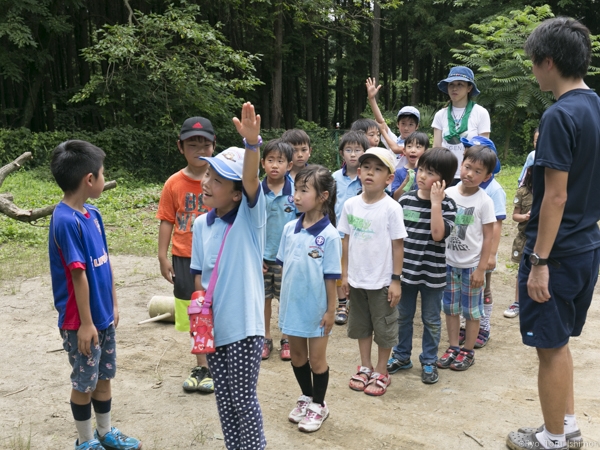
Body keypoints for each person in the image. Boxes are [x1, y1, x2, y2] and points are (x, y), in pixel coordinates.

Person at [506, 18, 600, 450]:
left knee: (550, 348)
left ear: (548, 62)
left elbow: (556, 198)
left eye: (533, 63)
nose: (532, 71)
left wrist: (539, 261)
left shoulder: (559, 115)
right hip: (586, 245)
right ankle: (567, 426)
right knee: (559, 345)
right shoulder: (594, 105)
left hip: (557, 254)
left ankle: (553, 440)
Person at [49, 140, 141, 450]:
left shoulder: (93, 215)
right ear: (90, 179)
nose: (104, 178)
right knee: (84, 382)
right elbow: (78, 275)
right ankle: (86, 441)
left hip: (102, 316)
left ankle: (105, 432)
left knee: (103, 377)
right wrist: (86, 324)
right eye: (103, 174)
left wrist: (113, 303)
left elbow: (103, 262)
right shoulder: (65, 220)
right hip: (81, 322)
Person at [190, 102, 267, 450]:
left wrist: (252, 145)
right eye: (207, 174)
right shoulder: (199, 225)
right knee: (223, 398)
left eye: (217, 179)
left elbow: (250, 178)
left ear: (237, 194)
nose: (206, 182)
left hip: (244, 328)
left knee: (243, 399)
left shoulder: (249, 220)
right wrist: (200, 318)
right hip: (214, 328)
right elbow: (200, 277)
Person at [277, 165, 341, 432]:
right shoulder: (290, 228)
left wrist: (331, 310)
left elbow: (330, 278)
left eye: (304, 191)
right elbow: (285, 269)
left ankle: (319, 405)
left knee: (317, 360)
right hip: (292, 306)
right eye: (296, 190)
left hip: (317, 310)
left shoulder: (330, 236)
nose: (297, 196)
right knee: (297, 358)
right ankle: (306, 396)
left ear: (323, 196)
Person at [339, 147, 407, 396]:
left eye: (378, 169)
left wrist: (396, 280)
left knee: (385, 327)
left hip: (381, 281)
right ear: (359, 172)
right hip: (356, 280)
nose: (371, 173)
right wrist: (344, 275)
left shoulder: (391, 208)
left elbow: (397, 246)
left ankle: (382, 370)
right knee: (361, 325)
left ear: (389, 178)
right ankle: (365, 365)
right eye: (367, 167)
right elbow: (345, 240)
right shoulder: (350, 205)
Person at [387, 147, 457, 385]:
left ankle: (429, 360)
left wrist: (436, 203)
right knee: (403, 316)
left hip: (433, 274)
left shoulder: (448, 206)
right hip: (406, 273)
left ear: (444, 181)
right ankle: (401, 355)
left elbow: (438, 235)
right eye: (422, 169)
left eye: (431, 172)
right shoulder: (405, 201)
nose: (422, 175)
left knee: (431, 319)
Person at [156, 116, 215, 394]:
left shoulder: (221, 181)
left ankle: (218, 363)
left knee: (216, 309)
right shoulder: (173, 183)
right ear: (181, 147)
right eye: (193, 144)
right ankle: (201, 365)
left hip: (215, 259)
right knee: (195, 312)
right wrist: (162, 256)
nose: (199, 149)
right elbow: (167, 219)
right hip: (184, 257)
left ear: (214, 146)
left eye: (205, 144)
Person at [437, 145, 495, 372]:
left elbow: (488, 238)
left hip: (471, 266)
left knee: (471, 311)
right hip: (447, 264)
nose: (470, 174)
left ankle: (468, 350)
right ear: (461, 164)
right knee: (450, 308)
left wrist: (482, 269)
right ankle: (453, 346)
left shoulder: (485, 201)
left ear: (487, 176)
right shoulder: (448, 193)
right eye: (467, 167)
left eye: (477, 171)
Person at [460, 136, 505, 349]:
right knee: (465, 289)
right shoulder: (462, 184)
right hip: (465, 252)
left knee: (484, 289)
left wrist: (492, 255)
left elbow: (496, 225)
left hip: (482, 253)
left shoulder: (494, 190)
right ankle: (466, 326)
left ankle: (483, 326)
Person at [260, 139, 296, 361]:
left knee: (286, 299)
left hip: (287, 260)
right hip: (261, 259)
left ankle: (286, 338)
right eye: (270, 160)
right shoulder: (256, 191)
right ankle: (265, 337)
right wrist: (255, 255)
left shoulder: (295, 192)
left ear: (289, 165)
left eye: (280, 161)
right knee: (263, 299)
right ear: (263, 163)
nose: (275, 165)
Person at [331, 130, 369, 325]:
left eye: (357, 150)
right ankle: (342, 304)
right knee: (340, 269)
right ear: (341, 153)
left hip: (362, 234)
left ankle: (357, 304)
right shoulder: (334, 178)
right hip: (338, 233)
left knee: (358, 268)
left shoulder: (368, 178)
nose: (353, 154)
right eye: (348, 150)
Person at [432, 66, 491, 185]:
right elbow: (437, 147)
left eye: (460, 84)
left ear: (469, 88)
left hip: (470, 175)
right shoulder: (440, 114)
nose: (454, 88)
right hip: (445, 174)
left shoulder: (480, 113)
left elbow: (484, 148)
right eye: (451, 84)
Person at [366, 77, 420, 163]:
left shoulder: (417, 146)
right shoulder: (394, 140)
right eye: (403, 123)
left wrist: (383, 131)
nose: (406, 128)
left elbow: (396, 149)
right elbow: (380, 121)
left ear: (417, 126)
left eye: (411, 124)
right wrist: (372, 99)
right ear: (397, 124)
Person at [504, 165, 533, 319]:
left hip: (543, 239)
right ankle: (518, 302)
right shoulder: (523, 193)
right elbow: (515, 216)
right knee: (522, 271)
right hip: (525, 238)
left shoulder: (550, 193)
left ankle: (534, 304)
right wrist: (526, 217)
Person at [389, 131, 430, 200]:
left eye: (418, 147)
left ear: (426, 151)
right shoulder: (398, 172)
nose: (413, 150)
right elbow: (395, 198)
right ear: (404, 151)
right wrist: (406, 182)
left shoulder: (429, 171)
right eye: (409, 146)